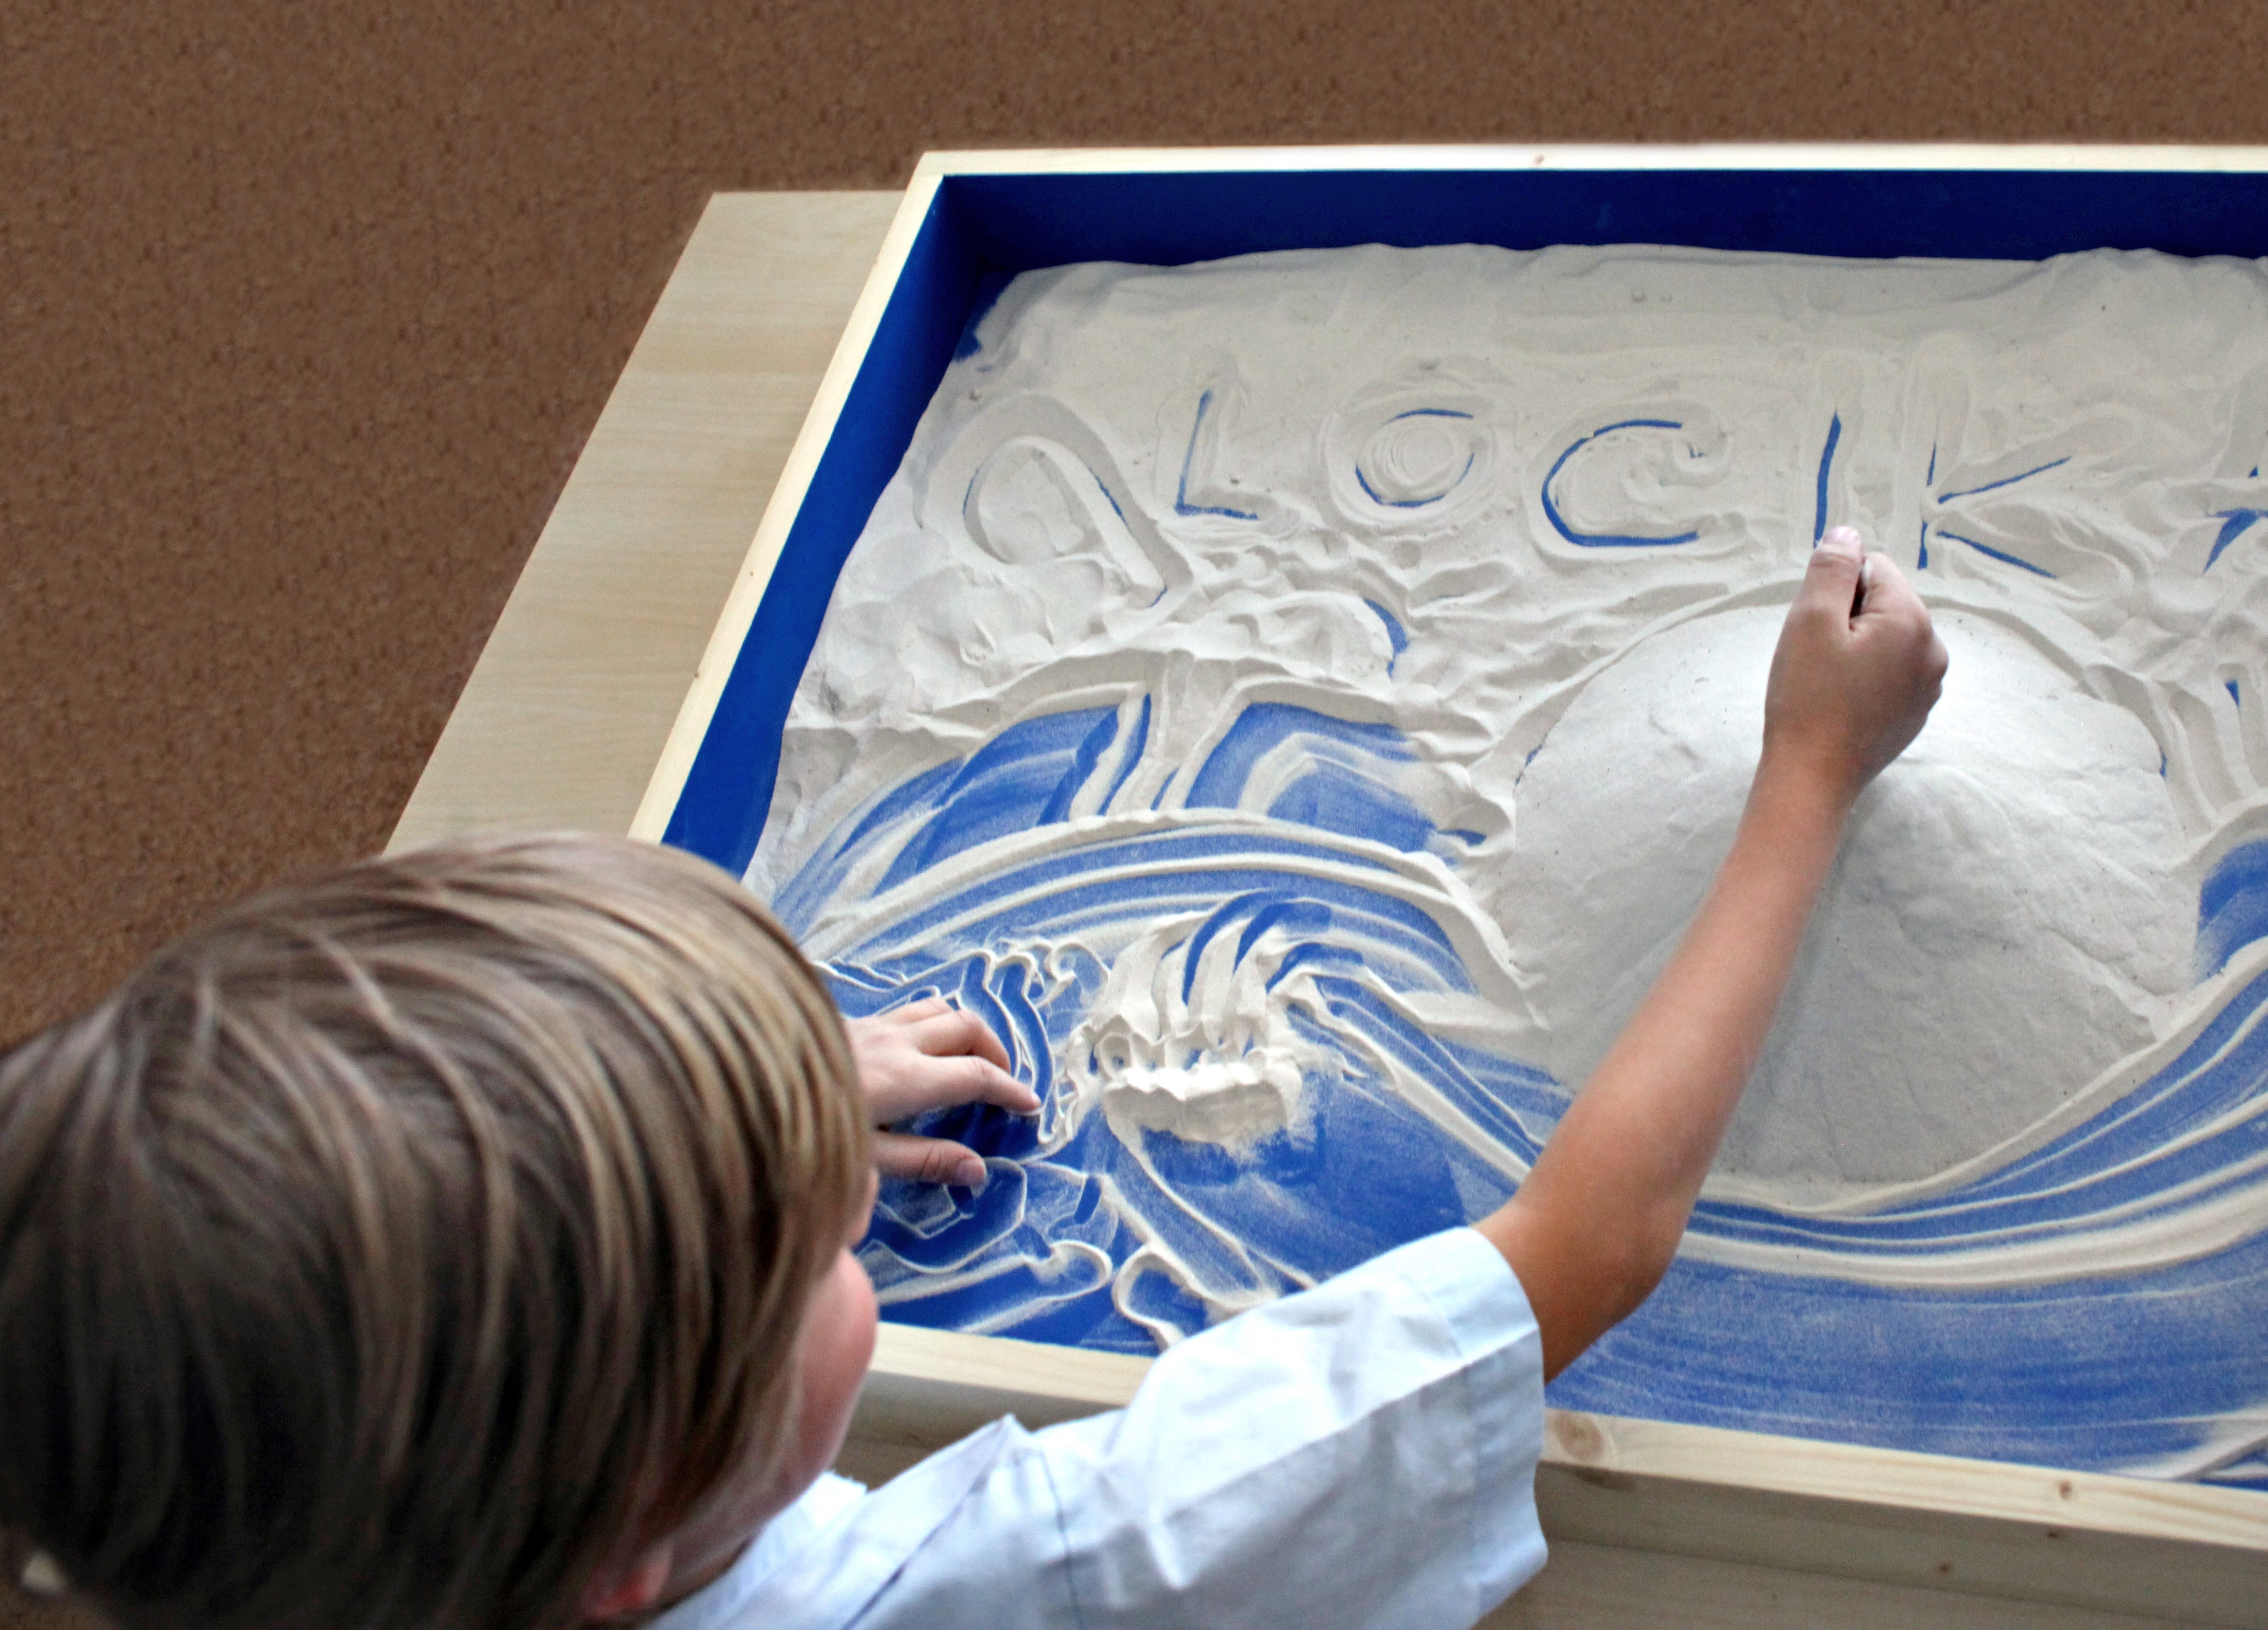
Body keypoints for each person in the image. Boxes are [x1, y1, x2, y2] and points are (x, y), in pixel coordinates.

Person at [0, 527, 1944, 1630]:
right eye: (793, 1255)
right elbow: (1588, 1239)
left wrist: (731, 1112)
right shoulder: (1014, 1587)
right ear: (643, 1521)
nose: (835, 1219)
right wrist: (1801, 778)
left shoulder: (198, 1507)